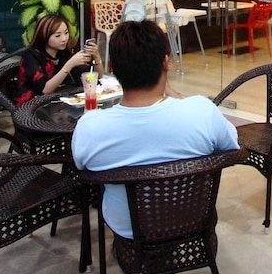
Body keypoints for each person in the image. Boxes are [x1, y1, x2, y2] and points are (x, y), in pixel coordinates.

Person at [71, 19, 239, 239]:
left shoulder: (90, 127)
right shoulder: (203, 112)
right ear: (166, 63)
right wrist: (174, 94)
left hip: (128, 229)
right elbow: (231, 144)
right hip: (193, 220)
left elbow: (81, 165)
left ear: (112, 67)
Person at [14, 13, 104, 108]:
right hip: (34, 106)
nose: (64, 39)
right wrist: (70, 64)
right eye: (57, 36)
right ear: (44, 36)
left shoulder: (63, 53)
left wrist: (96, 56)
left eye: (66, 33)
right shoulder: (31, 56)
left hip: (62, 101)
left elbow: (95, 76)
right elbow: (45, 89)